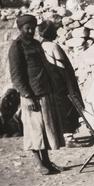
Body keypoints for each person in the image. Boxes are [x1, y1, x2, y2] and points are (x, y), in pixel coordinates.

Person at [8, 14, 65, 175]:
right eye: (28, 27)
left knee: (45, 130)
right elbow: (16, 75)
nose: (31, 30)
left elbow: (45, 66)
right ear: (20, 28)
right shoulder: (17, 47)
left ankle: (47, 162)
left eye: (33, 27)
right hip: (30, 96)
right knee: (34, 131)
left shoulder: (35, 44)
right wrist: (27, 95)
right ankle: (39, 164)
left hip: (44, 92)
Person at [38, 20, 83, 141]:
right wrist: (70, 82)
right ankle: (68, 135)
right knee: (67, 106)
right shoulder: (53, 46)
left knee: (59, 107)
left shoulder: (41, 46)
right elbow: (62, 64)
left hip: (51, 83)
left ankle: (65, 135)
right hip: (60, 82)